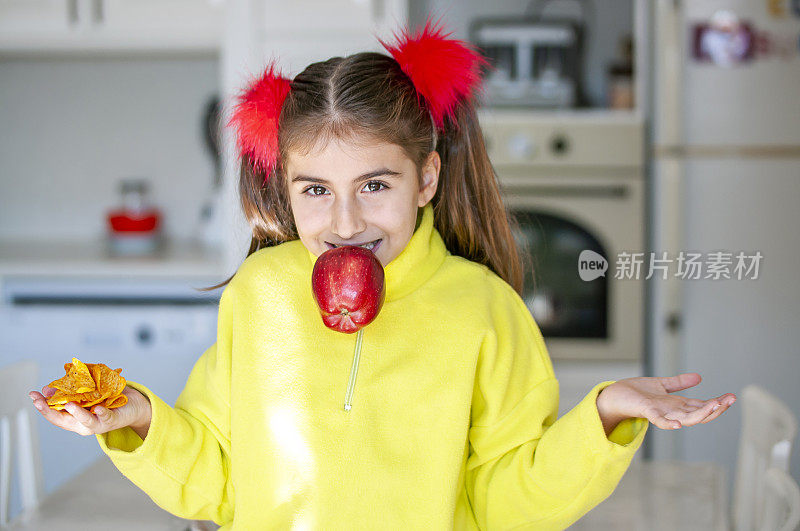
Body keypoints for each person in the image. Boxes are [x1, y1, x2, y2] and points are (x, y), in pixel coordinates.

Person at [28, 18, 737, 530]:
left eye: (375, 185)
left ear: (425, 177)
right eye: (315, 190)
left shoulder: (483, 309)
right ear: (286, 186)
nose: (344, 222)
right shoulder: (260, 295)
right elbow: (218, 478)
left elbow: (507, 500)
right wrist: (140, 419)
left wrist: (605, 413)